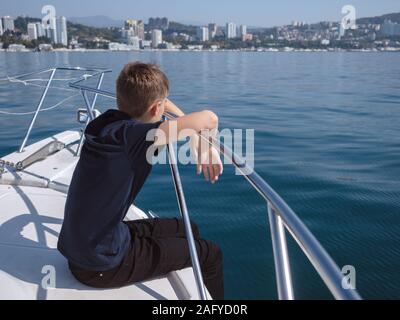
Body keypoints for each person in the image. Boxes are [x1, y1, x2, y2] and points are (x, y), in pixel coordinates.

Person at [57, 62, 224, 300]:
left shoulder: (106, 123)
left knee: (188, 228)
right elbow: (210, 118)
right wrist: (202, 140)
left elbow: (167, 108)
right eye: (162, 104)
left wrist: (193, 136)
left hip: (90, 245)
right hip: (99, 266)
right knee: (210, 254)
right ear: (156, 108)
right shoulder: (137, 138)